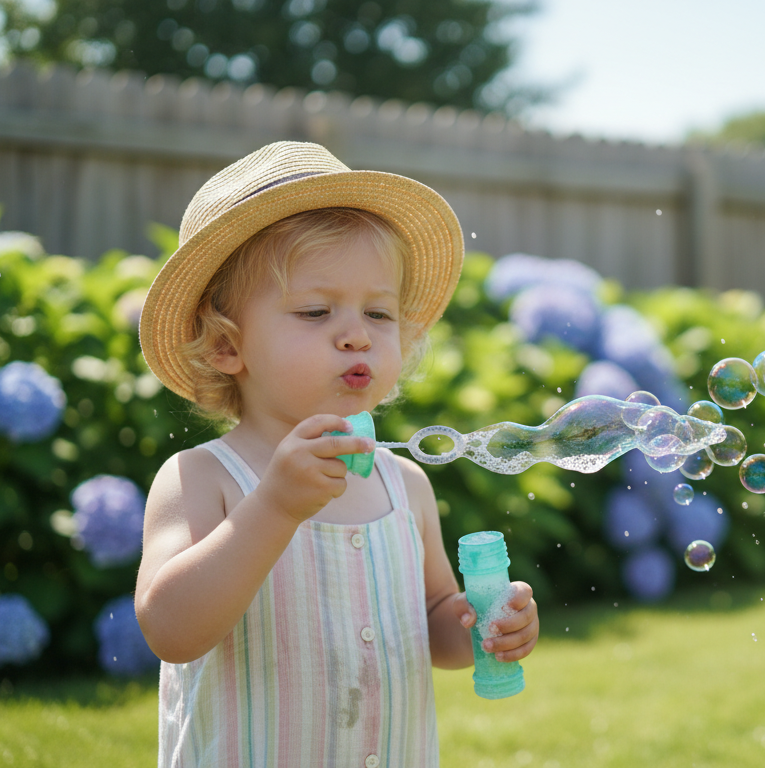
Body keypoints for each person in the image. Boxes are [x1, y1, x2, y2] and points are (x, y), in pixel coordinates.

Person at [134, 141, 539, 767]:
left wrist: (482, 622)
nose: (356, 333)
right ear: (224, 346)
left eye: (379, 312)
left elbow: (433, 622)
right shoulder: (204, 477)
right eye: (316, 311)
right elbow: (171, 631)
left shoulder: (404, 485)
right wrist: (272, 507)